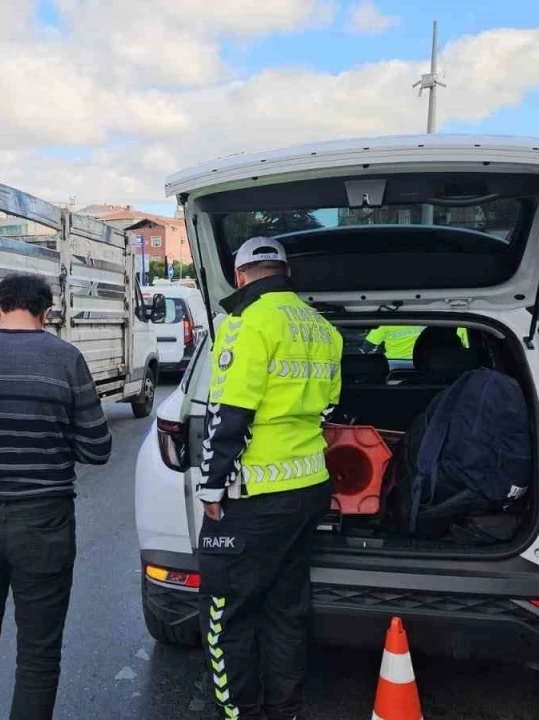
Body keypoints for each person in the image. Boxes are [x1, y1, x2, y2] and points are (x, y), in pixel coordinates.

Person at [0, 273, 111, 720]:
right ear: (46, 313)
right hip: (45, 523)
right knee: (38, 655)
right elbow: (97, 448)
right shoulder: (66, 359)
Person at [196, 236, 343, 720]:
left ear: (240, 277)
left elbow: (228, 415)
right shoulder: (324, 329)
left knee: (225, 614)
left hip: (252, 497)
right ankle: (285, 710)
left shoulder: (245, 324)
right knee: (286, 608)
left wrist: (212, 488)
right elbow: (327, 408)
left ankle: (241, 713)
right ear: (287, 272)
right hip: (308, 487)